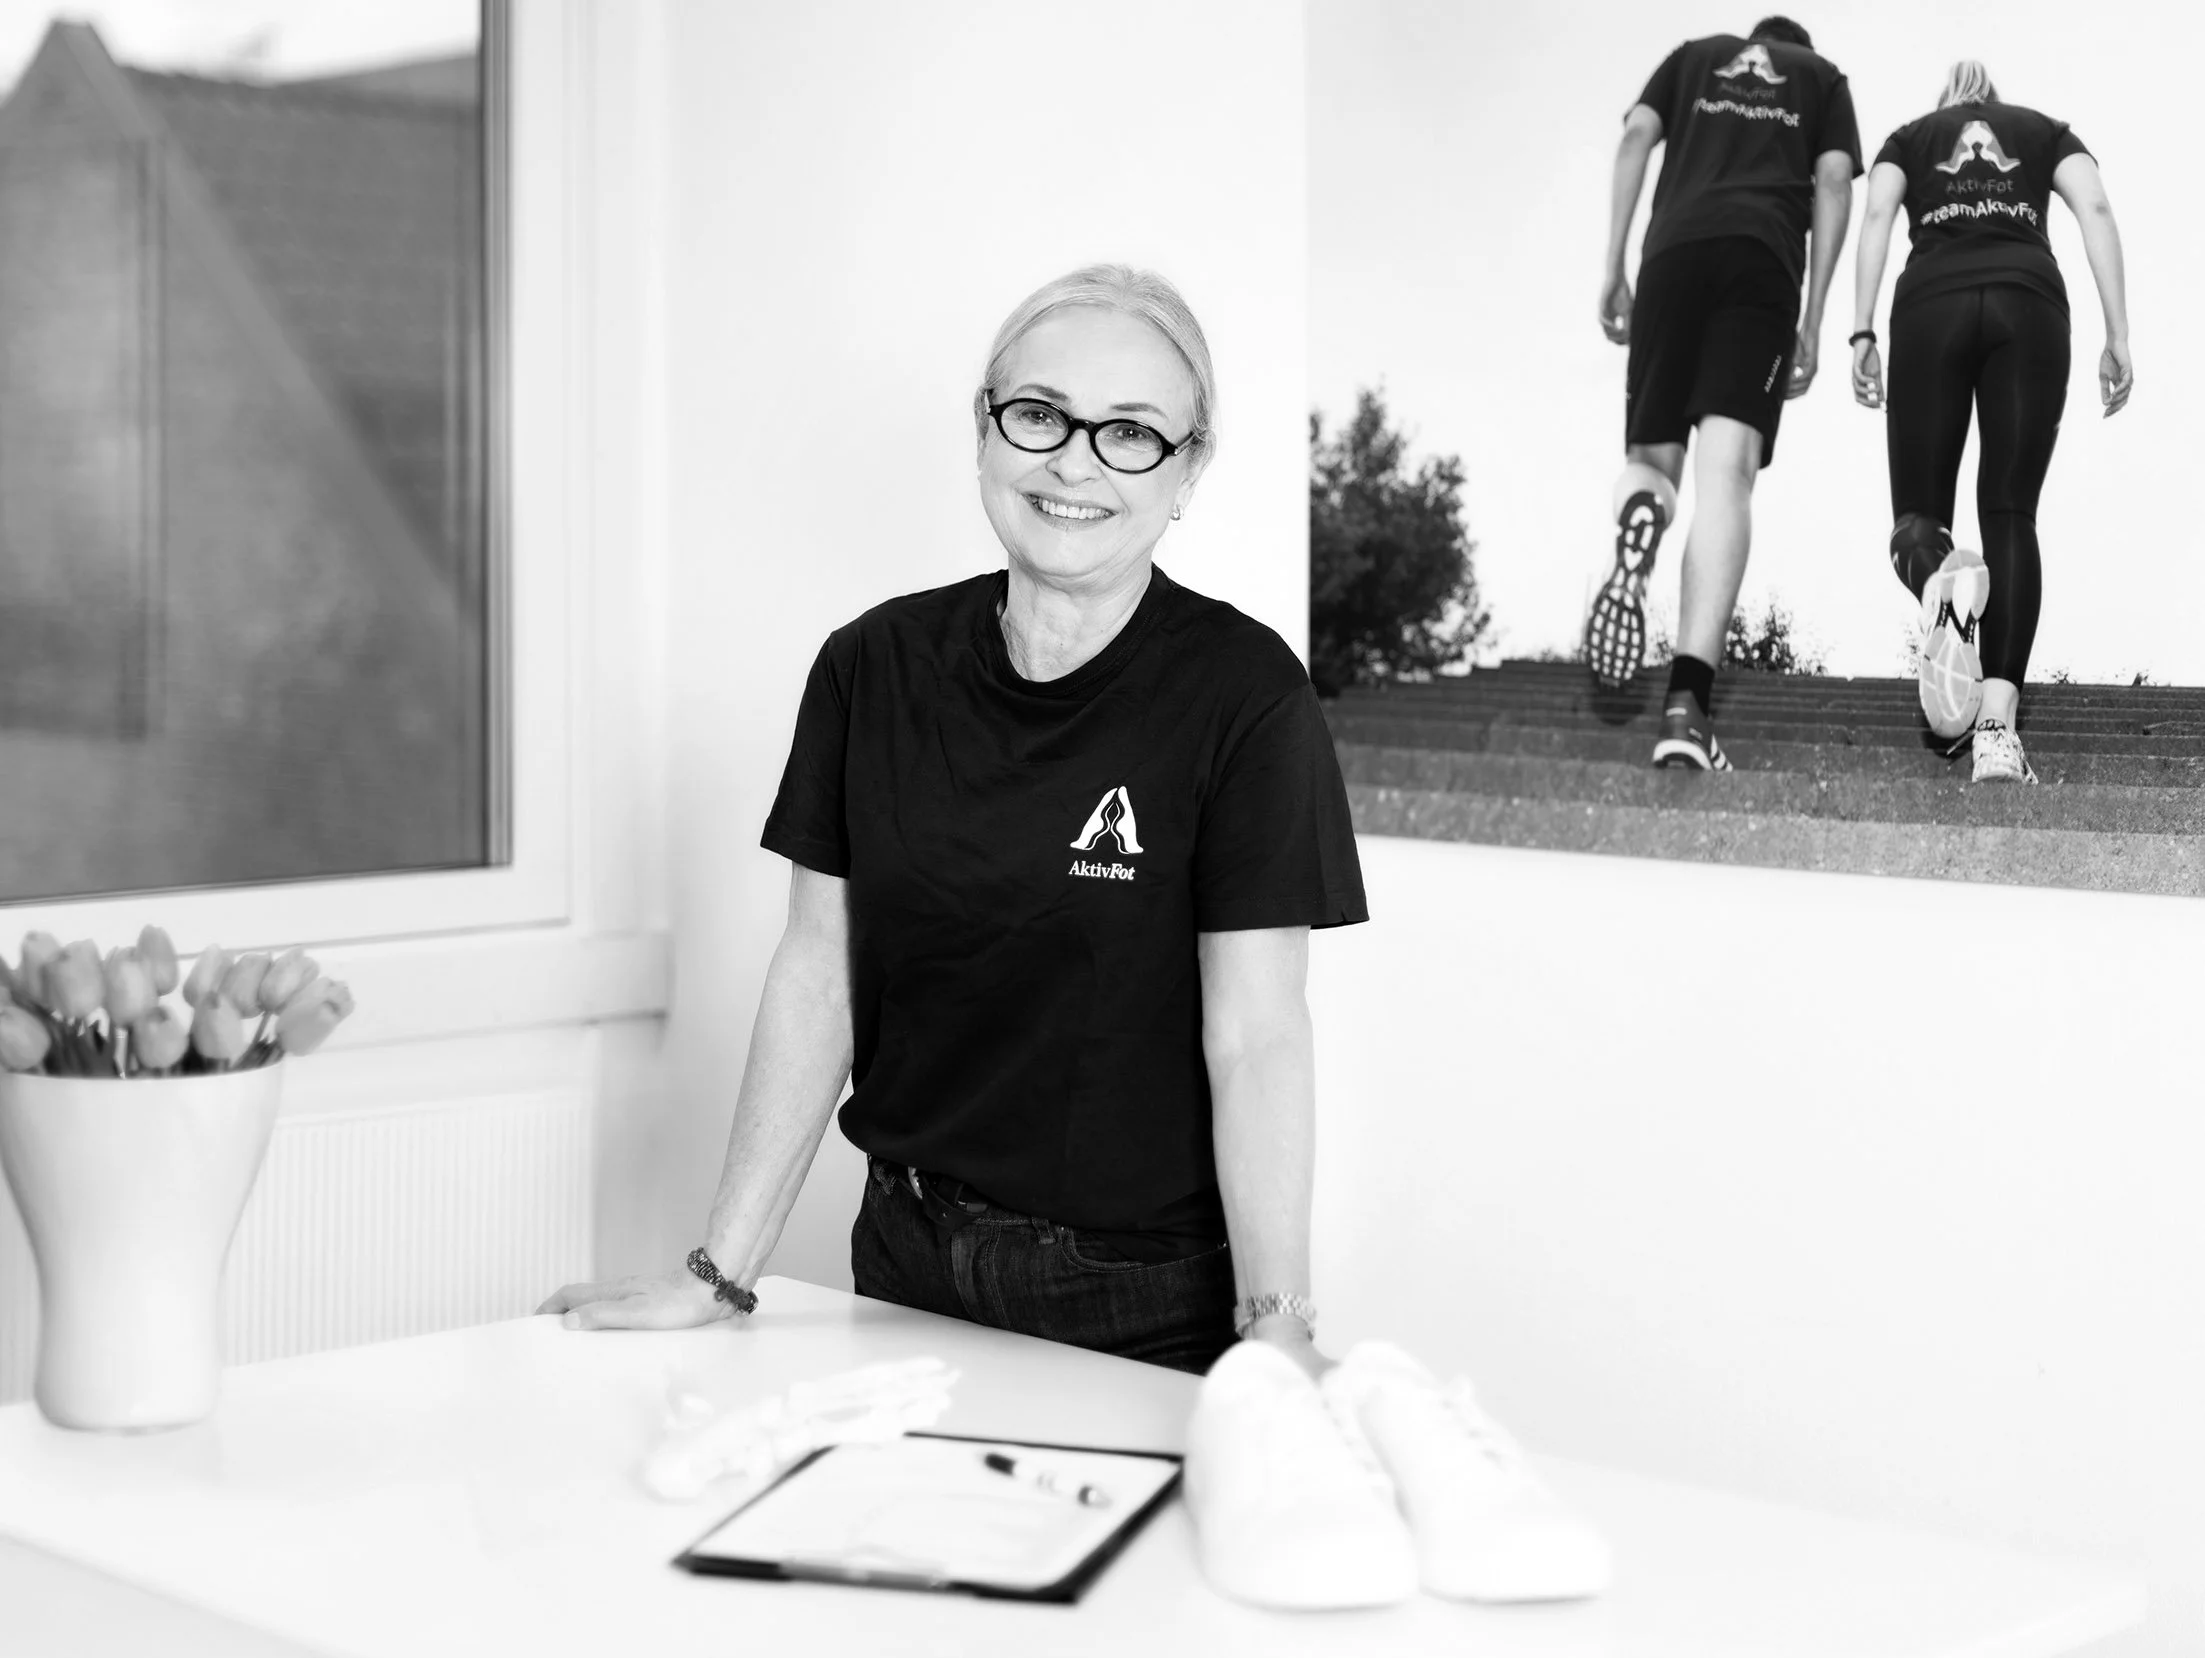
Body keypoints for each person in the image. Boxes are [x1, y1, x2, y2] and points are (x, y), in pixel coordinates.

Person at [538, 265, 1366, 1379]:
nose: (1074, 461)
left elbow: (1257, 1036)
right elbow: (820, 973)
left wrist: (1276, 1327)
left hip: (1137, 1293)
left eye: (1130, 432)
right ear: (985, 429)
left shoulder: (1246, 696)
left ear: (1189, 468)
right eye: (1039, 414)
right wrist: (717, 1273)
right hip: (904, 1255)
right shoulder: (871, 667)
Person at [1849, 59, 2132, 784]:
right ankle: (1997, 733)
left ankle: (1940, 580)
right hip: (2027, 302)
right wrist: (2116, 332)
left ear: (1945, 101)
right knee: (2009, 512)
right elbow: (2095, 209)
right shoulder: (2043, 131)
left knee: (1915, 521)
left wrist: (1862, 331)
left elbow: (1875, 216)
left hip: (1930, 306)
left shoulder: (1908, 138)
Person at [1592, 15, 1861, 768]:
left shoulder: (1690, 58)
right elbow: (1833, 181)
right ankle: (1685, 709)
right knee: (1726, 476)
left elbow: (1635, 137)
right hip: (1760, 264)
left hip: (1672, 254)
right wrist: (1812, 318)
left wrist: (1614, 265)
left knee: (1653, 460)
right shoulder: (1821, 78)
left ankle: (1643, 508)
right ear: (1799, 48)